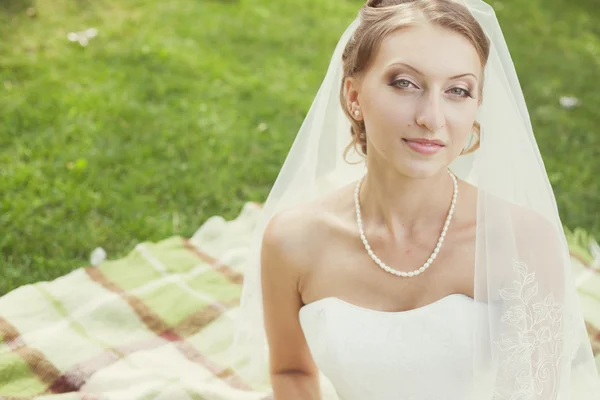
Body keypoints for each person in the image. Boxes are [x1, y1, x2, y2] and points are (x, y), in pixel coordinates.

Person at [230, 0, 600, 399]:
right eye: (405, 83)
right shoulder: (292, 242)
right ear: (354, 96)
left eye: (458, 90)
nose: (432, 117)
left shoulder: (524, 242)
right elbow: (290, 371)